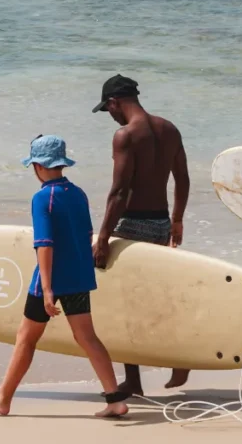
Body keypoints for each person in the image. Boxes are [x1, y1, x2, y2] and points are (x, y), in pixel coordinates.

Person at [0, 135, 129, 418]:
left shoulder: (44, 197)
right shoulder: (78, 193)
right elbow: (84, 236)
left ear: (38, 166)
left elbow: (44, 243)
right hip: (79, 277)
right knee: (88, 338)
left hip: (52, 280)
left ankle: (2, 399)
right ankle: (115, 399)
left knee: (26, 338)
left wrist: (46, 288)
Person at [91, 74, 191, 395]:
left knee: (124, 304)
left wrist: (104, 237)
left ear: (114, 103)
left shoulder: (126, 136)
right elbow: (183, 178)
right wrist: (177, 220)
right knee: (155, 295)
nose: (111, 117)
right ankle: (178, 356)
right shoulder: (169, 129)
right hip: (160, 222)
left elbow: (119, 192)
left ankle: (133, 381)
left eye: (108, 110)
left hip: (131, 225)